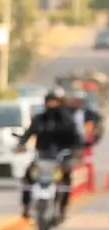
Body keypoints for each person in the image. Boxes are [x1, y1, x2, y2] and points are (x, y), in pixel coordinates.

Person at [18, 87, 84, 219]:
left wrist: (77, 151)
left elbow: (77, 138)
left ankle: (62, 209)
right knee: (28, 176)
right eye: (50, 101)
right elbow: (28, 134)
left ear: (61, 102)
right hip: (42, 156)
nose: (52, 104)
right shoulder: (39, 119)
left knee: (66, 179)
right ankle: (26, 207)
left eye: (55, 101)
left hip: (61, 157)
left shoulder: (68, 120)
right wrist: (21, 144)